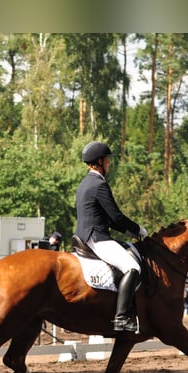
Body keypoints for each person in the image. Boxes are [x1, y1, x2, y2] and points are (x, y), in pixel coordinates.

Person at [75, 141, 147, 332]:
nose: (109, 163)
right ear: (99, 161)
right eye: (107, 160)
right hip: (97, 238)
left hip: (87, 235)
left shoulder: (85, 183)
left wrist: (130, 230)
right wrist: (137, 229)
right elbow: (116, 216)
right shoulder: (99, 184)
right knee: (133, 267)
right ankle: (121, 317)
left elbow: (110, 219)